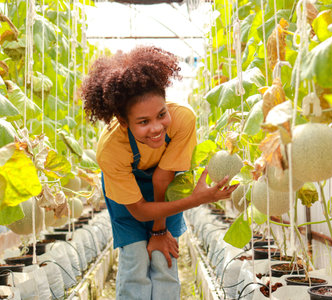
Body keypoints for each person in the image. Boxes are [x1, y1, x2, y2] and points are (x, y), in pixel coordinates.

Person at [80, 45, 238, 300]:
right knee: (134, 260)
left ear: (166, 103)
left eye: (161, 114)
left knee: (164, 258)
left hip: (166, 191)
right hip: (129, 199)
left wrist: (159, 232)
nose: (156, 128)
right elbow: (140, 209)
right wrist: (198, 199)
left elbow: (162, 178)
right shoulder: (110, 149)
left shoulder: (183, 119)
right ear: (122, 121)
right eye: (143, 122)